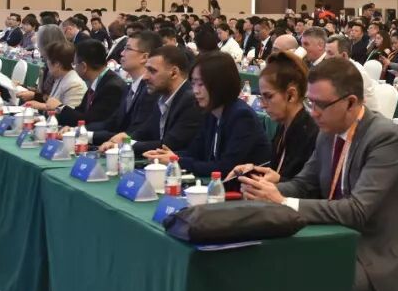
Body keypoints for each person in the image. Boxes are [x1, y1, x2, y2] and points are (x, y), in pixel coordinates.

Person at [238, 57, 398, 291]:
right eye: (310, 103)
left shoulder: (384, 137)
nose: (313, 112)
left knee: (299, 280)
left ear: (351, 103)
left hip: (384, 251)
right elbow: (304, 184)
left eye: (321, 104)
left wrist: (283, 202)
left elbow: (357, 210)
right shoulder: (327, 130)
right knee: (269, 262)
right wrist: (263, 189)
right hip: (340, 238)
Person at [143, 52, 269, 177]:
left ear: (221, 84)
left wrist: (176, 161)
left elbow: (225, 167)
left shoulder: (241, 116)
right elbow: (195, 152)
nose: (195, 91)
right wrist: (167, 156)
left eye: (201, 84)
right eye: (193, 84)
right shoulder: (210, 112)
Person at [227, 52, 317, 183]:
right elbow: (277, 171)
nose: (262, 105)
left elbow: (307, 188)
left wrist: (278, 181)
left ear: (291, 95)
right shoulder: (283, 126)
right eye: (261, 97)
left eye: (268, 96)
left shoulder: (311, 133)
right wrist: (253, 171)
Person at [99, 44, 203, 157]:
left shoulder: (191, 100)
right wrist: (125, 138)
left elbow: (170, 145)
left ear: (173, 73)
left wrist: (126, 145)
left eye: (152, 71)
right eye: (146, 70)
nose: (145, 77)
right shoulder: (161, 96)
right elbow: (145, 132)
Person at [87, 31, 161, 146]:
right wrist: (80, 130)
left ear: (144, 57)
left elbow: (132, 133)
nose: (122, 53)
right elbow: (111, 123)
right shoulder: (130, 88)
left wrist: (88, 136)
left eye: (127, 49)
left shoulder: (150, 91)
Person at [55, 39, 127, 126]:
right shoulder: (97, 81)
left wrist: (60, 107)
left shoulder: (112, 88)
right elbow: (80, 112)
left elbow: (91, 121)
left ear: (83, 66)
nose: (74, 68)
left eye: (74, 64)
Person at [323, 34, 380, 115]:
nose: (326, 57)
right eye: (326, 52)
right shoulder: (333, 70)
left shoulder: (357, 73)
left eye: (330, 53)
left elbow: (359, 109)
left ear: (344, 55)